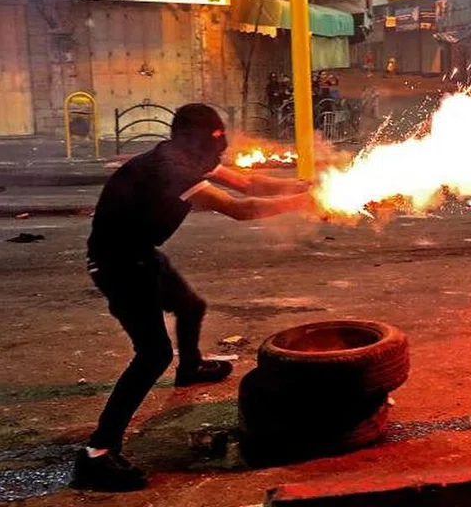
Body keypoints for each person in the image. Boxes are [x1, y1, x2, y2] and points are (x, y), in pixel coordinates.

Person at [73, 104, 317, 492]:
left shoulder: (184, 155)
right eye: (215, 141)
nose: (220, 152)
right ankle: (96, 454)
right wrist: (307, 205)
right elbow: (240, 208)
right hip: (119, 265)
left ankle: (191, 368)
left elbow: (249, 184)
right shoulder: (172, 169)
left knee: (191, 306)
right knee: (152, 355)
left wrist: (307, 187)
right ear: (199, 139)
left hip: (141, 254)